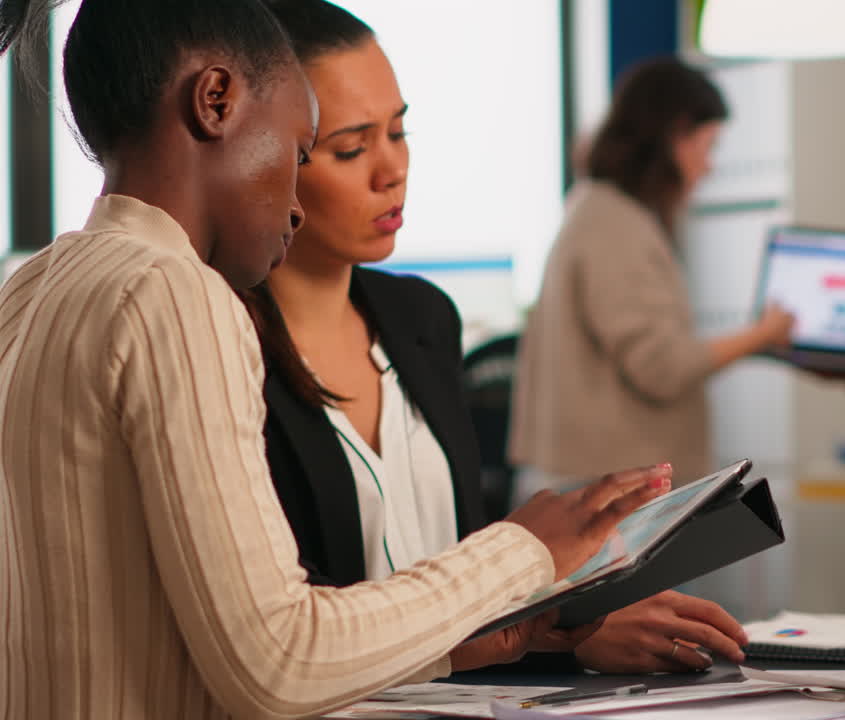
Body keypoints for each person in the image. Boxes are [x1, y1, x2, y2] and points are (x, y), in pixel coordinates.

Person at [0, 0, 668, 717]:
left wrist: (486, 638)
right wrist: (522, 551)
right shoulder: (175, 293)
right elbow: (278, 661)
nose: (293, 204)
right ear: (216, 100)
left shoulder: (30, 290)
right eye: (300, 149)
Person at [249, 0, 749, 674]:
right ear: (265, 157)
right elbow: (282, 640)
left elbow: (458, 584)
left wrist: (565, 630)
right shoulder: (220, 342)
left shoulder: (422, 319)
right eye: (350, 147)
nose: (391, 169)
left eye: (399, 133)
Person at [509, 58, 795, 492]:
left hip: (598, 482)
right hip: (606, 491)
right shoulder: (614, 224)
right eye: (708, 145)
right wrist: (762, 334)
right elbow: (663, 367)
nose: (710, 165)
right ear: (675, 135)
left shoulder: (598, 209)